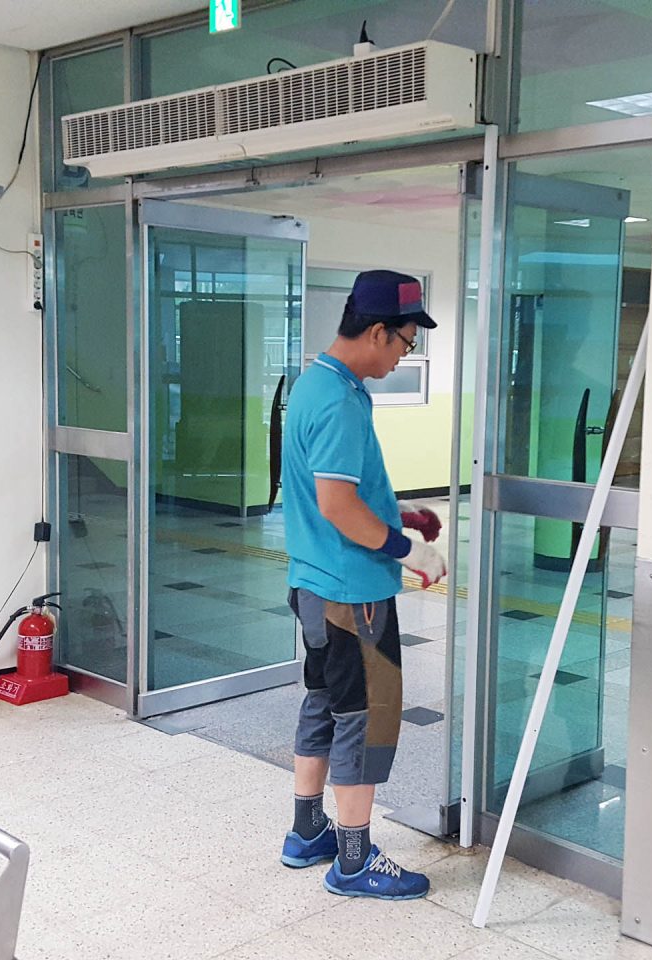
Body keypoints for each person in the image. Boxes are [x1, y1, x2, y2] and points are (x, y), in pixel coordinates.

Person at [278, 269, 448, 900]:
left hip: (313, 584)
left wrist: (397, 512)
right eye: (405, 341)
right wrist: (410, 552)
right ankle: (352, 861)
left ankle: (307, 832)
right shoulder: (342, 400)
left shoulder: (316, 383)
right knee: (365, 719)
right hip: (354, 596)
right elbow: (337, 506)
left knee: (323, 703)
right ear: (377, 330)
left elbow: (336, 490)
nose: (404, 353)